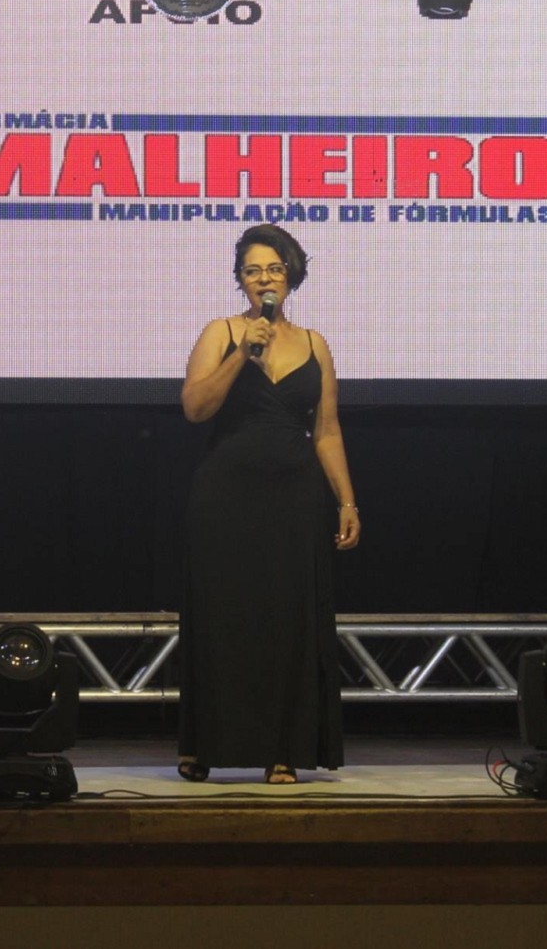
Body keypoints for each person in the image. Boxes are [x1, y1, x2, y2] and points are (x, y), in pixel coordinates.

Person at [176, 223, 360, 785]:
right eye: (252, 270)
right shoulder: (222, 332)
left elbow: (326, 430)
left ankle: (283, 749)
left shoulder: (315, 344)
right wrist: (242, 354)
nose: (264, 279)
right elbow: (195, 408)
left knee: (288, 621)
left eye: (274, 269)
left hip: (294, 496)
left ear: (291, 276)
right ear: (240, 281)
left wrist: (347, 501)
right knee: (224, 617)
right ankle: (205, 744)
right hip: (226, 496)